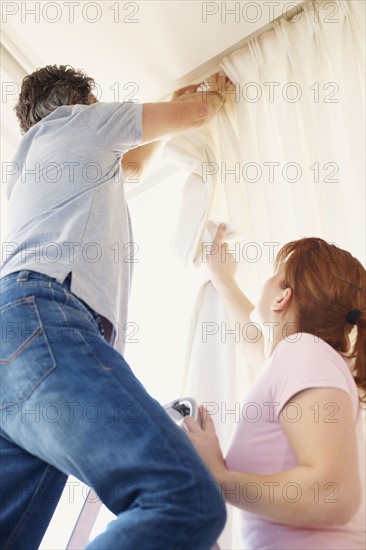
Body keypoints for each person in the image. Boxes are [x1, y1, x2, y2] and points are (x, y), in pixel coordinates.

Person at [0, 65, 233, 549]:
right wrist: (208, 94)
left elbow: (134, 165)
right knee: (182, 496)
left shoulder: (33, 163)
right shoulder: (82, 121)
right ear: (84, 100)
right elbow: (198, 112)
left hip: (14, 336)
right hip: (46, 318)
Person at [183, 224, 366, 550]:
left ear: (283, 296)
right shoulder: (307, 359)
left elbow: (332, 492)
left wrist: (219, 477)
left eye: (273, 273)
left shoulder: (304, 353)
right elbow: (255, 344)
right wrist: (223, 279)